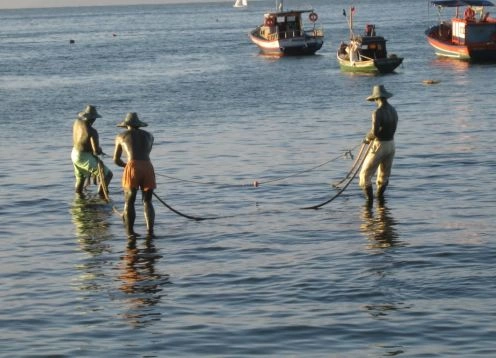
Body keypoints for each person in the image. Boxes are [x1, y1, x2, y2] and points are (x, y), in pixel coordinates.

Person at [113, 112, 156, 238]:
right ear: (138, 125)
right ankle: (150, 231)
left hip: (132, 166)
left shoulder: (121, 136)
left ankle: (130, 232)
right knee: (147, 201)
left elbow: (116, 160)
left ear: (126, 126)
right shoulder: (150, 136)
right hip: (148, 166)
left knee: (129, 201)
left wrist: (125, 166)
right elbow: (145, 152)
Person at [359, 85, 398, 205]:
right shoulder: (393, 110)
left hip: (379, 145)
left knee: (364, 175)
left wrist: (367, 137)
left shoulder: (377, 112)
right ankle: (380, 201)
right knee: (384, 175)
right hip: (391, 145)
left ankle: (369, 203)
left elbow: (375, 132)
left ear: (376, 99)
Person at [71, 104, 113, 197]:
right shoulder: (92, 131)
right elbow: (96, 151)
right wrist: (100, 150)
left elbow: (80, 138)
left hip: (74, 153)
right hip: (83, 156)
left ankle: (78, 199)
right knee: (108, 175)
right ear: (93, 119)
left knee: (80, 178)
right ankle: (101, 196)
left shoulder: (76, 122)